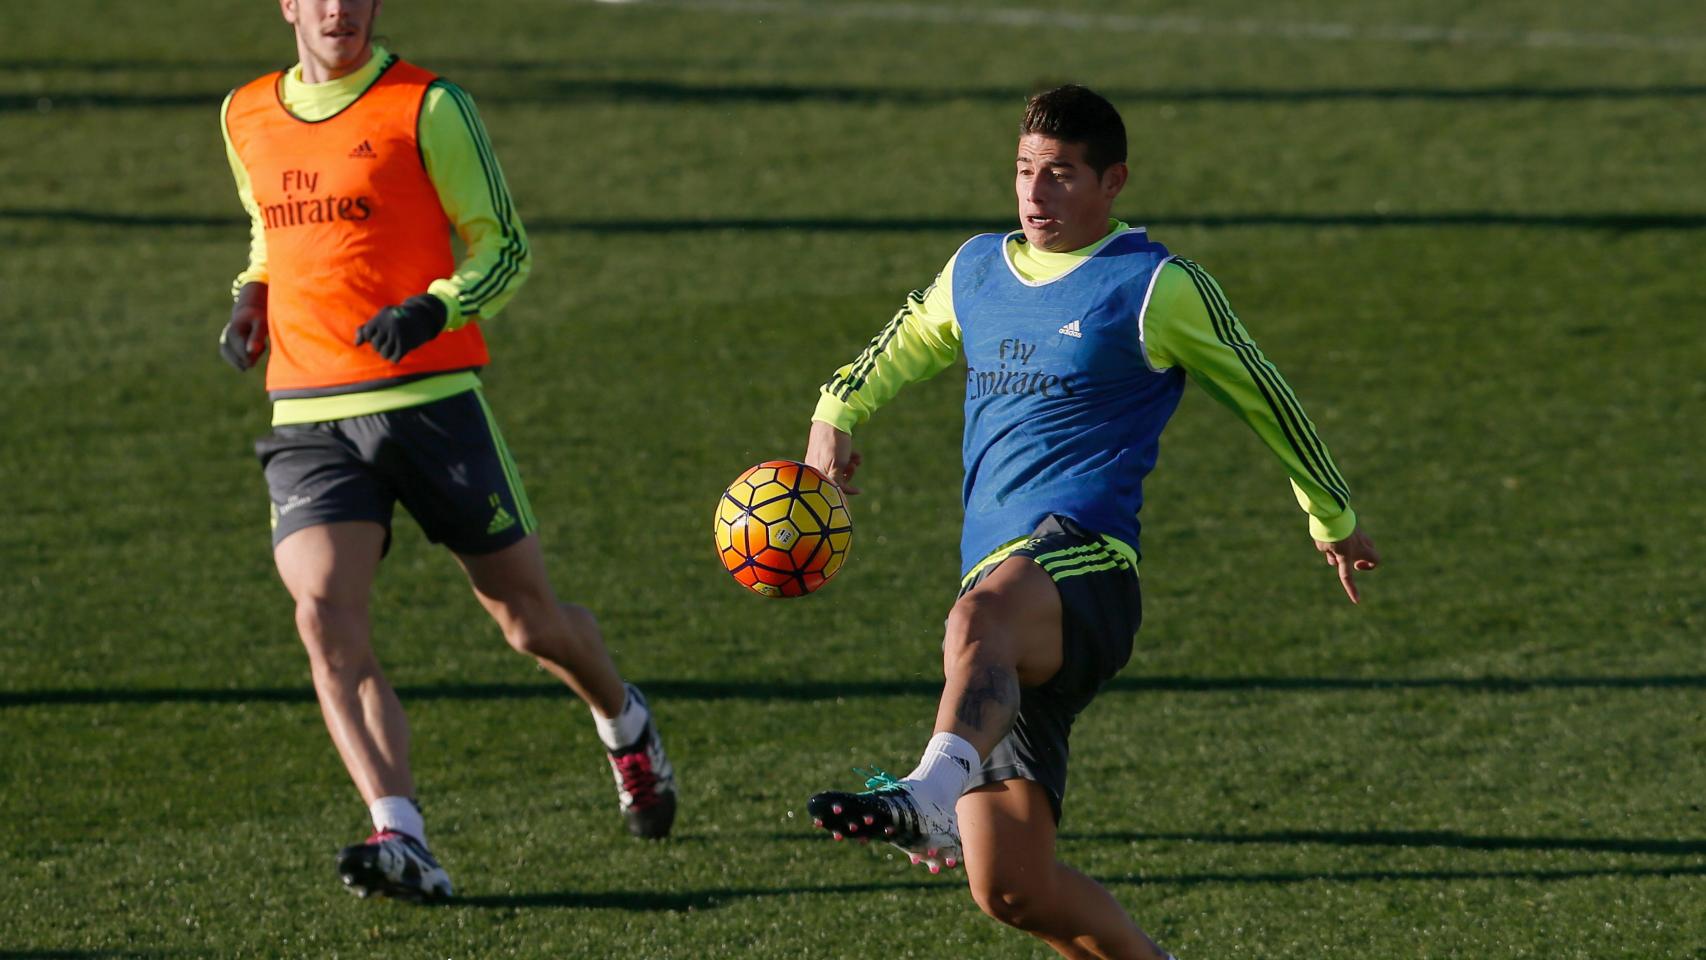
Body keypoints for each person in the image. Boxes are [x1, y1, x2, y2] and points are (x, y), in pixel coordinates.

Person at [803, 84, 1381, 959]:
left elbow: (1267, 394)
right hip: (1002, 614)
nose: (1035, 195)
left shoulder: (1153, 286)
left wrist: (1329, 514)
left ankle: (925, 797)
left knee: (975, 618)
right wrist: (834, 413)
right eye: (1025, 172)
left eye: (1062, 176)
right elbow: (900, 346)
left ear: (1112, 183)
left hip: (1088, 568)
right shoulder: (976, 271)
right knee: (1012, 890)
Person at [217, 0, 676, 902]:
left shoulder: (428, 107)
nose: (337, 10)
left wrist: (437, 306)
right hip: (309, 409)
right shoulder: (244, 114)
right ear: (288, 5)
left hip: (431, 403)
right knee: (323, 615)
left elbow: (503, 247)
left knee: (527, 622)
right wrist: (250, 298)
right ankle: (402, 832)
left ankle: (624, 723)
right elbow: (270, 230)